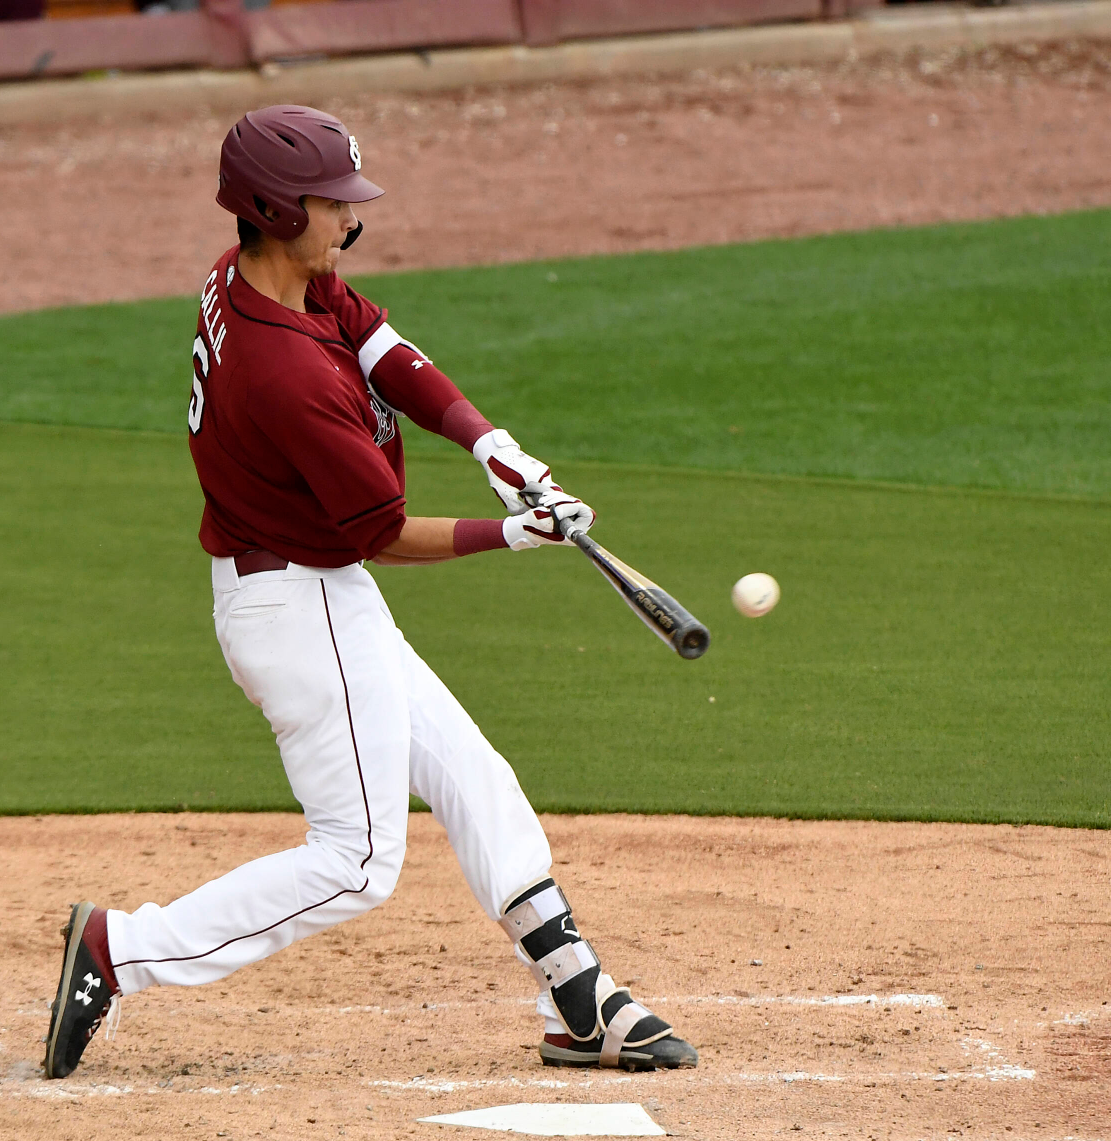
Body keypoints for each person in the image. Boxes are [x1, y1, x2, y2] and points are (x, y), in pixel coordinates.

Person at [43, 106, 697, 1080]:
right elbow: (382, 533)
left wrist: (489, 444)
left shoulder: (259, 278)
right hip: (298, 610)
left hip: (310, 591)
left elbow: (375, 338)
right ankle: (119, 951)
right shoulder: (284, 373)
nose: (348, 218)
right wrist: (512, 532)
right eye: (329, 203)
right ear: (272, 206)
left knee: (471, 772)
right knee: (354, 861)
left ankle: (576, 996)